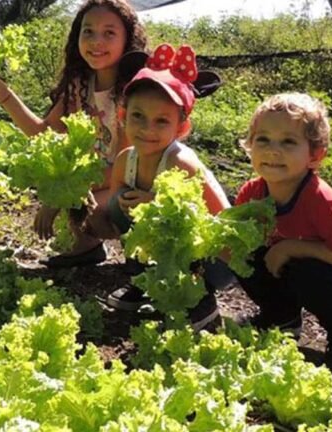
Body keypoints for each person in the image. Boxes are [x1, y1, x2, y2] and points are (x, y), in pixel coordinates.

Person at [0, 0, 147, 268]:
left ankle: (141, 259)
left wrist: (64, 194)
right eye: (88, 31)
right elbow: (43, 134)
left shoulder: (134, 91)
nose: (96, 41)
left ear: (128, 40)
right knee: (71, 209)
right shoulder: (78, 86)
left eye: (109, 33)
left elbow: (125, 167)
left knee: (100, 211)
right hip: (94, 183)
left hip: (134, 184)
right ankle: (87, 248)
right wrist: (5, 96)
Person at [234, 93, 332, 380]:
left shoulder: (324, 203)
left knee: (307, 272)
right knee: (243, 252)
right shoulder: (251, 193)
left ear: (315, 154)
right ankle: (281, 316)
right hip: (293, 266)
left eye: (288, 141)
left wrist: (291, 247)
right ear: (250, 146)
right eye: (263, 139)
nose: (273, 150)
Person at [90, 43, 234, 332]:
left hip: (216, 257)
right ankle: (144, 282)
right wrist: (92, 215)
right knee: (121, 201)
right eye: (138, 117)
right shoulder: (124, 161)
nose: (147, 129)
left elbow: (214, 225)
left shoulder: (181, 162)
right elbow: (117, 218)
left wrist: (156, 203)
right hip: (168, 247)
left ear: (181, 129)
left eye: (161, 121)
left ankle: (200, 299)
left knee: (151, 216)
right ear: (122, 116)